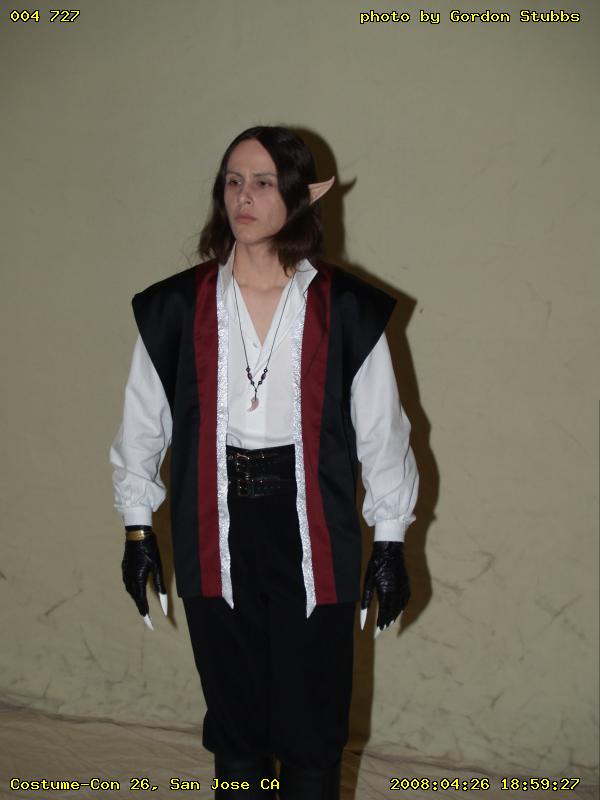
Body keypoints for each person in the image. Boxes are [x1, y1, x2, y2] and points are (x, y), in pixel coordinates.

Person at [109, 125, 419, 800]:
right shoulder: (173, 308)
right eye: (232, 181)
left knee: (314, 722)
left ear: (300, 197)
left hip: (314, 524)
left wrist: (390, 541)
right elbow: (142, 425)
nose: (243, 196)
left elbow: (382, 431)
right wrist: (137, 528)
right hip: (213, 521)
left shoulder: (347, 309)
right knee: (236, 720)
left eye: (263, 182)